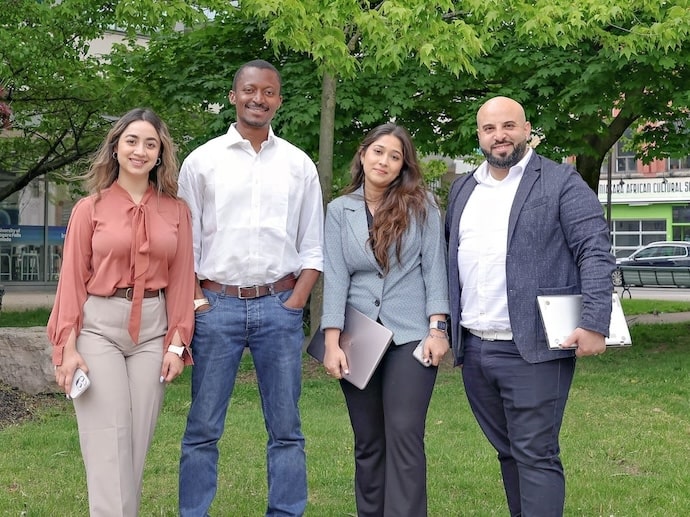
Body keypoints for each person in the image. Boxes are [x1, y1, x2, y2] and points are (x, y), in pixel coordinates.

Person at [445, 96, 616, 516]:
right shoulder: (463, 188)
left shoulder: (560, 181)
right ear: (479, 135)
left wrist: (595, 322)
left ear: (526, 129)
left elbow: (594, 251)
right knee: (508, 452)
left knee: (535, 453)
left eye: (508, 126)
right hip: (477, 348)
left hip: (535, 347)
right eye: (489, 129)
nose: (499, 136)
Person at [177, 59, 324, 517]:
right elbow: (186, 243)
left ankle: (286, 511)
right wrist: (198, 300)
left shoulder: (299, 165)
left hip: (279, 306)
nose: (258, 99)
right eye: (249, 90)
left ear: (279, 100)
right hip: (215, 306)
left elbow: (312, 245)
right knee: (202, 426)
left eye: (268, 92)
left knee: (287, 428)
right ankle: (194, 512)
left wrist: (297, 301)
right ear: (233, 95)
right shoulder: (201, 162)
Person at [47, 107, 196, 516]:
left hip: (154, 330)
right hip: (99, 329)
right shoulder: (88, 208)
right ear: (116, 148)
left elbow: (184, 280)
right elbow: (72, 283)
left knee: (133, 445)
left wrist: (177, 344)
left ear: (160, 153)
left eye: (151, 143)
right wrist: (67, 347)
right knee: (107, 442)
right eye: (132, 141)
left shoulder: (176, 211)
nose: (140, 150)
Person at [321, 123, 450, 517]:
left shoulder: (422, 204)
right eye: (378, 152)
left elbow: (435, 269)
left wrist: (438, 329)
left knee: (405, 435)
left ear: (402, 166)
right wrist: (332, 340)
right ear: (363, 154)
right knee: (368, 441)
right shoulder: (339, 210)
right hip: (358, 336)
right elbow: (337, 275)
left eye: (395, 156)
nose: (385, 161)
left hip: (412, 334)